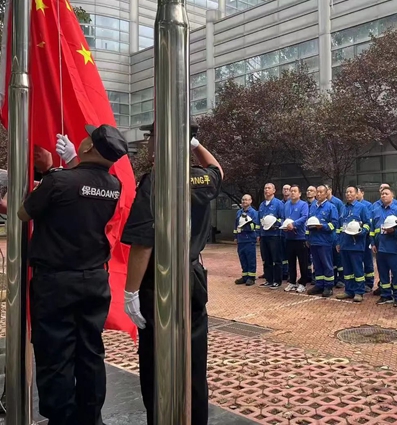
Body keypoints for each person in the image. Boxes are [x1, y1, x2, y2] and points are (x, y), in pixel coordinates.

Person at [16, 124, 127, 425]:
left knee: (55, 354)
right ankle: (91, 417)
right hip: (94, 281)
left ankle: (61, 418)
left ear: (88, 147)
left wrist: (41, 177)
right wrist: (66, 166)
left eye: (85, 138)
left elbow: (24, 213)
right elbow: (85, 188)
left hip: (56, 283)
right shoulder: (114, 186)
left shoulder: (58, 180)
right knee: (90, 352)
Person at [122, 120, 223, 425]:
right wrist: (195, 144)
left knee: (158, 362)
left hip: (160, 281)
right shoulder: (201, 178)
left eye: (151, 137)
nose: (148, 143)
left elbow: (144, 243)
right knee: (194, 361)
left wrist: (131, 292)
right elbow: (218, 170)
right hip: (192, 278)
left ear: (162, 141)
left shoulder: (156, 181)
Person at [0, 143, 68, 416]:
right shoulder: (37, 175)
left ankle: (63, 399)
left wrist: (24, 179)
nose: (36, 152)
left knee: (55, 338)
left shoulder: (65, 177)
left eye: (40, 148)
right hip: (31, 261)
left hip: (60, 269)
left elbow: (61, 194)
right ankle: (15, 387)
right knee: (21, 325)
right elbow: (23, 211)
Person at [371, 187, 397, 307]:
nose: (383, 195)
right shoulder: (376, 210)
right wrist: (372, 243)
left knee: (396, 273)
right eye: (382, 194)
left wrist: (393, 231)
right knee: (383, 273)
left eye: (386, 193)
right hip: (380, 248)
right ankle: (385, 295)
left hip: (393, 247)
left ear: (392, 196)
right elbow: (372, 229)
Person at [336, 186, 370, 302]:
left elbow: (367, 224)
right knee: (347, 270)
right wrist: (338, 242)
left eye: (351, 192)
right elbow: (340, 227)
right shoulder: (343, 208)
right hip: (344, 244)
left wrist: (361, 232)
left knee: (357, 269)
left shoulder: (362, 207)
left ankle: (359, 292)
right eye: (347, 192)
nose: (348, 194)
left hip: (356, 244)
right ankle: (348, 290)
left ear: (356, 194)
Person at [306, 185, 339, 297]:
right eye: (318, 192)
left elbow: (334, 224)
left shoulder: (331, 207)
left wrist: (323, 226)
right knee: (317, 264)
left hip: (325, 240)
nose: (319, 194)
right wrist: (307, 237)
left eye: (321, 192)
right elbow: (308, 222)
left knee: (327, 264)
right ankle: (319, 285)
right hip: (313, 240)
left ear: (326, 193)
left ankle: (328, 286)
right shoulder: (313, 207)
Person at [283, 185, 310, 292]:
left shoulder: (303, 204)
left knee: (303, 262)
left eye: (295, 191)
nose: (292, 193)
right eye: (291, 191)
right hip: (289, 238)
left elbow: (304, 217)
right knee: (291, 261)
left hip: (300, 237)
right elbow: (284, 218)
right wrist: (284, 226)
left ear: (299, 194)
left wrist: (293, 224)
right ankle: (292, 282)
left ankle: (303, 283)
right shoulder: (286, 204)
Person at [258, 183, 284, 289]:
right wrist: (259, 234)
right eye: (265, 188)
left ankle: (277, 281)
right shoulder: (262, 205)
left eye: (269, 188)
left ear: (274, 190)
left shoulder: (278, 204)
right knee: (266, 259)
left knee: (276, 259)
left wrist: (275, 224)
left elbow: (282, 218)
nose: (266, 190)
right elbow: (260, 220)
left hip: (275, 235)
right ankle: (268, 279)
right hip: (264, 235)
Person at [233, 195, 259, 286]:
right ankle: (245, 276)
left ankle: (251, 277)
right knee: (242, 258)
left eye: (247, 200)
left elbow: (255, 226)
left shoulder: (253, 213)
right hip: (241, 240)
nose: (244, 201)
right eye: (243, 200)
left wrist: (246, 224)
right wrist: (235, 237)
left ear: (250, 201)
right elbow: (236, 225)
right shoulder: (239, 212)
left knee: (250, 259)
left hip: (249, 239)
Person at [326, 185, 346, 288]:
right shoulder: (323, 203)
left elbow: (341, 218)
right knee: (331, 258)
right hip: (328, 235)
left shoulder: (337, 202)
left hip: (336, 234)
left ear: (330, 190)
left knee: (339, 258)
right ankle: (333, 278)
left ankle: (341, 279)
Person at [356, 186, 375, 291]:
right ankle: (359, 282)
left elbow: (369, 221)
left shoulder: (368, 205)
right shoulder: (351, 206)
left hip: (366, 237)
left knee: (367, 260)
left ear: (362, 193)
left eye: (357, 192)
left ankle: (369, 282)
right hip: (355, 238)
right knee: (358, 261)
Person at [280, 184, 292, 280]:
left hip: (291, 232)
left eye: (288, 189)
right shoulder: (280, 203)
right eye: (284, 189)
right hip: (281, 233)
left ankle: (290, 273)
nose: (286, 190)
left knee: (290, 254)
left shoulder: (293, 203)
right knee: (282, 254)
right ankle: (284, 272)